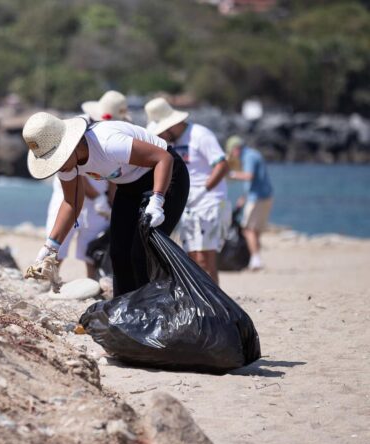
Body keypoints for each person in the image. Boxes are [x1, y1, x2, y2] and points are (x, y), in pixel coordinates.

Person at [22, 111, 189, 296]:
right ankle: (126, 311)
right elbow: (72, 202)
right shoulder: (67, 164)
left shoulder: (108, 142)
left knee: (141, 253)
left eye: (57, 160)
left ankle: (152, 310)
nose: (58, 167)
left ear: (71, 146)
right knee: (118, 253)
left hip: (166, 176)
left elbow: (163, 158)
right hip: (129, 186)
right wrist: (51, 246)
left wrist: (157, 200)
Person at [43, 91, 131, 280]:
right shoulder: (77, 127)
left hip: (98, 199)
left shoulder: (115, 133)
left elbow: (116, 169)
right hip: (70, 194)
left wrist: (109, 199)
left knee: (93, 246)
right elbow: (74, 171)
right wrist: (97, 197)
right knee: (60, 242)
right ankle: (50, 282)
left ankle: (92, 285)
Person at [145, 97, 230, 284]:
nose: (162, 136)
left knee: (205, 258)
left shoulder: (199, 134)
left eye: (162, 132)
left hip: (209, 202)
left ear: (171, 126)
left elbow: (222, 165)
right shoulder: (170, 142)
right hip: (188, 204)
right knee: (192, 257)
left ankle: (212, 303)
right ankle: (201, 299)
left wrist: (203, 190)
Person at [226, 136, 273, 270]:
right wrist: (244, 197)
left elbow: (249, 176)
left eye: (232, 152)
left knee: (248, 229)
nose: (233, 155)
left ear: (236, 148)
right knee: (256, 229)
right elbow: (257, 179)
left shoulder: (248, 157)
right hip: (264, 195)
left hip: (257, 197)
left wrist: (230, 173)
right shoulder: (254, 154)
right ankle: (256, 257)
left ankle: (256, 259)